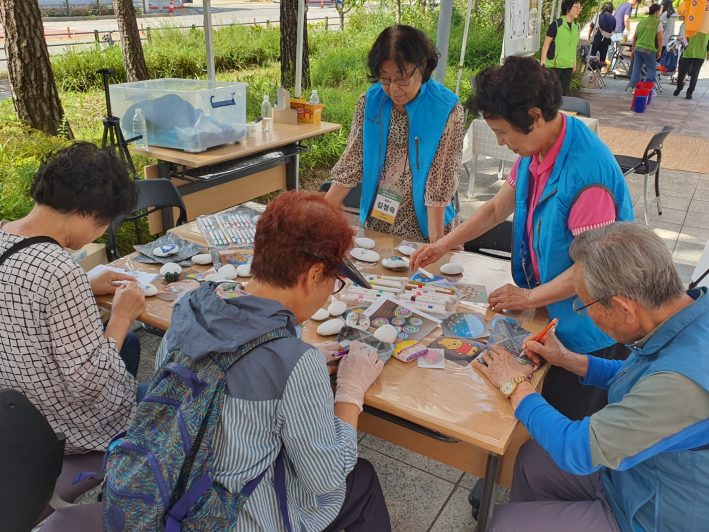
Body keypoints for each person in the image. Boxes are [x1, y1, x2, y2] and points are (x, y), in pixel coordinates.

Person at [411, 56, 635, 421]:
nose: (501, 144)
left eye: (502, 133)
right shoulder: (538, 148)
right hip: (556, 305)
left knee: (570, 420)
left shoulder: (586, 173)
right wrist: (444, 243)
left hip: (594, 323)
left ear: (534, 116)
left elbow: (592, 269)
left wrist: (529, 296)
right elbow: (496, 209)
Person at [155, 191, 390, 532]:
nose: (331, 293)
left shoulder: (191, 305)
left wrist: (296, 358)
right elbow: (325, 478)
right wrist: (350, 393)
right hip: (237, 519)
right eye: (335, 282)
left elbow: (235, 361)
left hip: (174, 492)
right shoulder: (295, 363)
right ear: (312, 276)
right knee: (360, 477)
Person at [477, 222, 709, 532]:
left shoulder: (681, 385)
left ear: (625, 308)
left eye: (585, 305)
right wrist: (568, 359)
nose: (585, 313)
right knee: (533, 459)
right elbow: (642, 379)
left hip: (652, 514)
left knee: (506, 524)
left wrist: (516, 385)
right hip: (632, 474)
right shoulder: (684, 314)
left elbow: (580, 451)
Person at [0, 142, 146, 454]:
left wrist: (86, 285)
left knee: (130, 346)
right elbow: (90, 382)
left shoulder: (5, 235)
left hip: (15, 415)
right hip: (65, 429)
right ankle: (123, 460)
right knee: (173, 396)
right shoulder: (60, 271)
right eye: (105, 222)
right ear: (84, 213)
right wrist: (121, 316)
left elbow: (22, 296)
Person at [326, 25, 464, 244]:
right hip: (378, 220)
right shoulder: (370, 101)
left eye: (402, 79)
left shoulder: (445, 109)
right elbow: (352, 162)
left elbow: (440, 181)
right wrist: (321, 215)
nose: (393, 89)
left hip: (428, 226)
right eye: (385, 79)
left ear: (423, 66)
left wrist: (437, 244)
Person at [541, 0, 583, 95]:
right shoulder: (556, 24)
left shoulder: (576, 27)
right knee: (550, 93)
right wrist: (543, 60)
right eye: (577, 7)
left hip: (568, 65)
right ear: (568, 8)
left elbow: (573, 46)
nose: (579, 10)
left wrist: (574, 61)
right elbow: (547, 43)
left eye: (580, 8)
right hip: (555, 65)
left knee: (563, 95)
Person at [629, 4, 664, 89]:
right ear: (657, 12)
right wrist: (660, 50)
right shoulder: (658, 22)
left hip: (638, 48)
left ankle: (634, 88)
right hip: (649, 49)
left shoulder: (641, 21)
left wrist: (633, 49)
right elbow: (659, 39)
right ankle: (648, 88)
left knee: (636, 69)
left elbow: (635, 37)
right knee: (651, 69)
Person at [674, 31, 709, 99]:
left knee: (694, 74)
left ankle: (690, 92)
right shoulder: (692, 25)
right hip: (688, 52)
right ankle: (679, 87)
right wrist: (685, 43)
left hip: (700, 54)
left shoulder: (706, 27)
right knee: (682, 72)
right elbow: (685, 36)